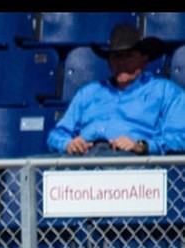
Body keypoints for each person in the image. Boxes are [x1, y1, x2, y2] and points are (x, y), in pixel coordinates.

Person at [47, 23, 185, 156]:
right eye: (116, 57)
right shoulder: (88, 93)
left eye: (128, 56)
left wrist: (141, 146)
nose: (121, 63)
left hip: (133, 161)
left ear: (144, 60)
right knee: (32, 161)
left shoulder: (167, 92)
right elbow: (56, 135)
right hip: (84, 157)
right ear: (109, 62)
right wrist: (68, 144)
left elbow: (179, 138)